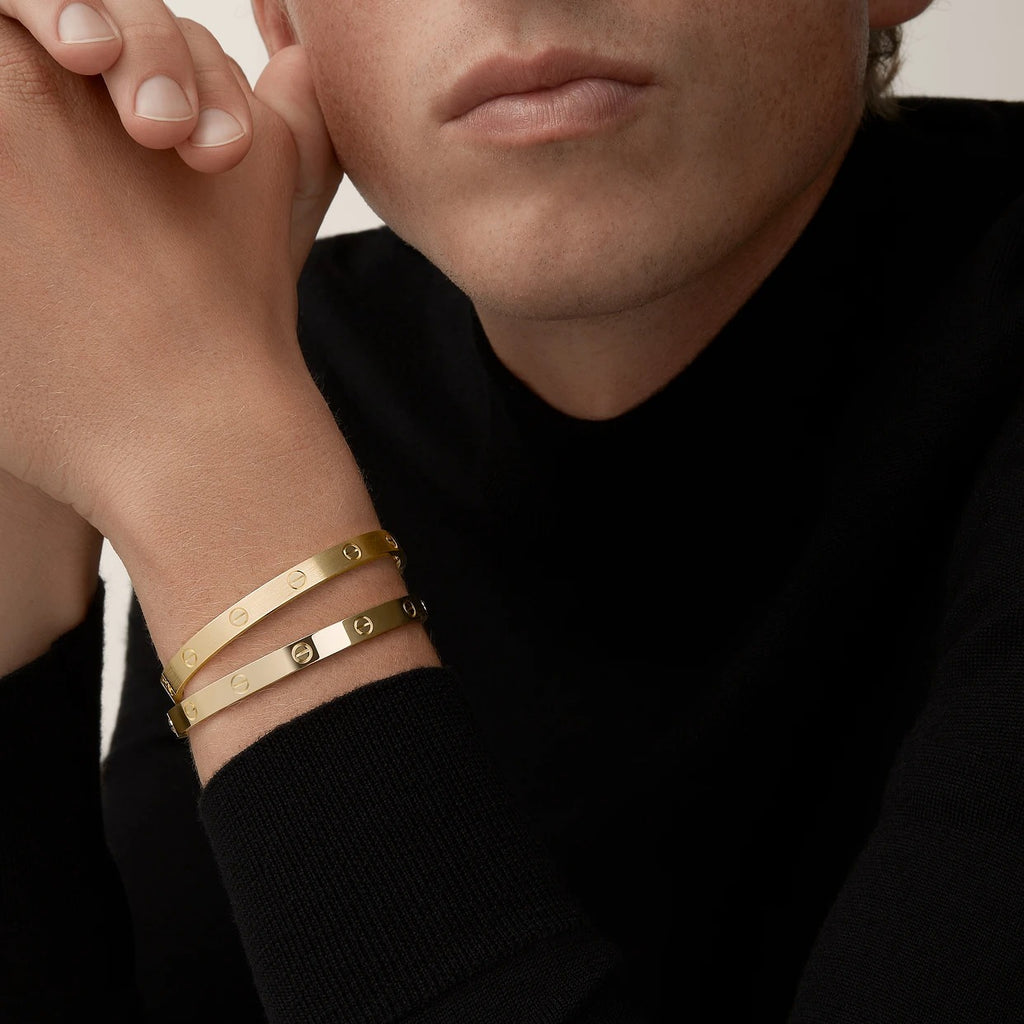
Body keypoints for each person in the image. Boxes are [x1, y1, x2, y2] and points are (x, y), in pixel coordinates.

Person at [1, 0, 1023, 1020]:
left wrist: (212, 466)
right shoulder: (287, 366)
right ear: (284, 18)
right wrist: (27, 490)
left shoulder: (228, 420)